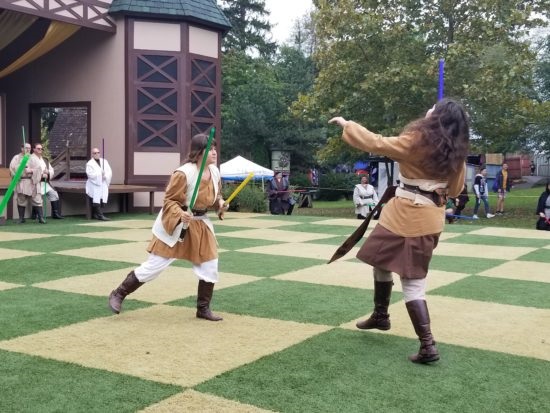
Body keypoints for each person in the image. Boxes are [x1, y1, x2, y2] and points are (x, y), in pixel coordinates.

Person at [329, 98, 469, 364]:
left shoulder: (418, 140)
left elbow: (378, 143)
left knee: (413, 283)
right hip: (406, 214)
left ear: (437, 117)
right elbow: (455, 191)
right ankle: (381, 315)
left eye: (434, 109)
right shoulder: (455, 152)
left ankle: (428, 346)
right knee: (380, 262)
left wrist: (348, 125)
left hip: (413, 218)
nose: (428, 108)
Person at [108, 134, 227, 321]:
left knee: (210, 266)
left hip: (200, 225)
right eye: (210, 149)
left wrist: (220, 203)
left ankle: (203, 309)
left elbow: (214, 196)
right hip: (177, 226)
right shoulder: (183, 173)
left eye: (215, 148)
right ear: (198, 153)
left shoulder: (215, 172)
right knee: (154, 267)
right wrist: (181, 214)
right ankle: (118, 293)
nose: (214, 152)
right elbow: (169, 200)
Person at [31, 142, 63, 220]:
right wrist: (41, 174)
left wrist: (48, 172)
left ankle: (55, 213)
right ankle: (35, 214)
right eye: (38, 148)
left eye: (41, 149)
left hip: (45, 182)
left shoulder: (44, 159)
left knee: (54, 194)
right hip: (36, 182)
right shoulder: (30, 159)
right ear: (34, 149)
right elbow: (30, 170)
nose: (40, 150)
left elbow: (51, 169)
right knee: (37, 198)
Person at [9, 143, 34, 223]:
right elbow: (11, 169)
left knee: (35, 198)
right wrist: (15, 175)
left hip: (31, 181)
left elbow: (38, 168)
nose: (28, 150)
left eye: (29, 148)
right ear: (22, 148)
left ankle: (37, 216)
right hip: (21, 180)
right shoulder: (16, 157)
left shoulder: (33, 158)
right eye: (26, 148)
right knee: (21, 199)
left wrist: (30, 170)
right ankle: (21, 218)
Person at [86, 147, 112, 221]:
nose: (97, 154)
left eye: (98, 152)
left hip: (103, 182)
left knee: (103, 196)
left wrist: (105, 175)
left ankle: (96, 214)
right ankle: (100, 215)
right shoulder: (89, 164)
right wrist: (99, 175)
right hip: (94, 183)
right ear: (92, 154)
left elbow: (109, 171)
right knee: (96, 197)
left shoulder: (104, 161)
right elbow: (90, 174)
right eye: (95, 153)